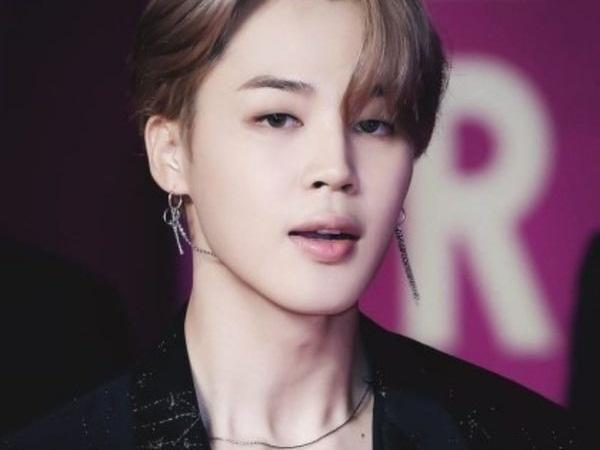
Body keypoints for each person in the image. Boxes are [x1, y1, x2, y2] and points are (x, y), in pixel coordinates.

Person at [1, 0, 584, 448]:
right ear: (170, 151)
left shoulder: (527, 437)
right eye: (277, 117)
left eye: (374, 123)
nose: (336, 169)